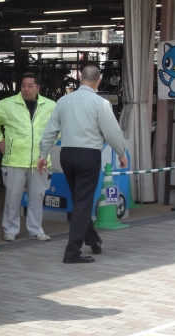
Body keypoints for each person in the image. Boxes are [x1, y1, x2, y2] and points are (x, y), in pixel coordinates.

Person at [37, 65, 127, 264]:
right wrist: (121, 152)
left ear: (80, 79)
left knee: (80, 200)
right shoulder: (100, 103)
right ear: (99, 80)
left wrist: (43, 154)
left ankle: (93, 240)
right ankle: (72, 251)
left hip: (66, 154)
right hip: (88, 155)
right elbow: (112, 132)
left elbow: (51, 130)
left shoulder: (63, 101)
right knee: (83, 203)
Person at [0, 73, 55, 242]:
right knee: (12, 198)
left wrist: (49, 146)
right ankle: (10, 230)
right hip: (15, 159)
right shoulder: (7, 104)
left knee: (37, 197)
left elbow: (58, 128)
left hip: (40, 161)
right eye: (23, 85)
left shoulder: (51, 106)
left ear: (38, 87)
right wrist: (0, 141)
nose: (26, 89)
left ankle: (36, 230)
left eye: (30, 85)